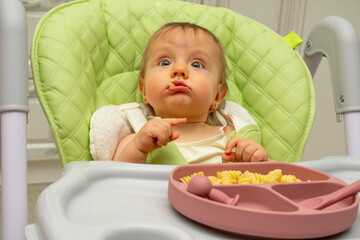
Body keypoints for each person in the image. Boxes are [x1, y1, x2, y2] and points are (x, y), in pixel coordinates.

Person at [112, 22, 269, 164]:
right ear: (144, 90)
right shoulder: (138, 137)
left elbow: (278, 177)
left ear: (217, 96)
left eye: (196, 64)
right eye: (165, 62)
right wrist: (139, 148)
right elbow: (114, 180)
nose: (179, 70)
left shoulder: (232, 138)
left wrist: (260, 160)